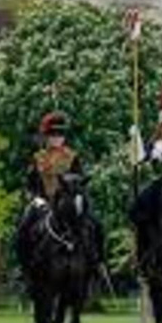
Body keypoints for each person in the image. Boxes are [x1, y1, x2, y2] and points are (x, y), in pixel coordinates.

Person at [19, 112, 103, 270]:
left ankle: (97, 261)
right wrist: (35, 198)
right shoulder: (38, 158)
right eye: (52, 135)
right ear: (46, 137)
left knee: (95, 223)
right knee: (24, 224)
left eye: (60, 134)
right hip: (44, 202)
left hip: (69, 200)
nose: (56, 138)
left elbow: (81, 178)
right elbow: (29, 184)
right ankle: (25, 264)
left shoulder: (72, 157)